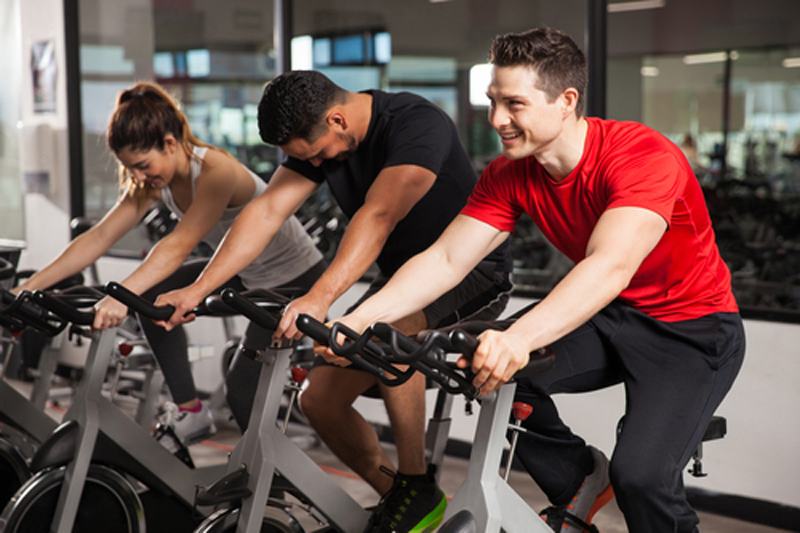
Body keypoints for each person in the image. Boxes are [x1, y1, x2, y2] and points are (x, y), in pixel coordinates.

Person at [334, 27, 745, 533]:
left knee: (640, 478)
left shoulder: (641, 155)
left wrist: (519, 338)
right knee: (487, 370)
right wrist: (358, 317)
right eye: (492, 102)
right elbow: (444, 259)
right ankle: (578, 478)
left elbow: (610, 266)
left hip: (692, 330)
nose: (497, 120)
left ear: (566, 100)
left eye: (514, 104)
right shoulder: (511, 173)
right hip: (610, 316)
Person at [155, 70, 513, 533]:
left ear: (338, 119)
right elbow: (265, 211)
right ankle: (402, 501)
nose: (320, 163)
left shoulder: (417, 124)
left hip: (473, 275)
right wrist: (197, 289)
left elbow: (379, 215)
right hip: (401, 281)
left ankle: (416, 482)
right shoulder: (321, 137)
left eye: (319, 154)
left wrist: (319, 298)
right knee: (318, 399)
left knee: (391, 338)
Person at [14, 81, 326, 448]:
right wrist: (27, 288)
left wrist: (120, 296)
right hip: (242, 272)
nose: (140, 177)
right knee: (151, 299)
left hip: (294, 279)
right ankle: (191, 412)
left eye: (143, 165)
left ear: (170, 143)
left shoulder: (216, 172)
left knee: (242, 391)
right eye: (131, 169)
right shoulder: (150, 181)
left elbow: (178, 246)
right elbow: (98, 238)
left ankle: (269, 489)